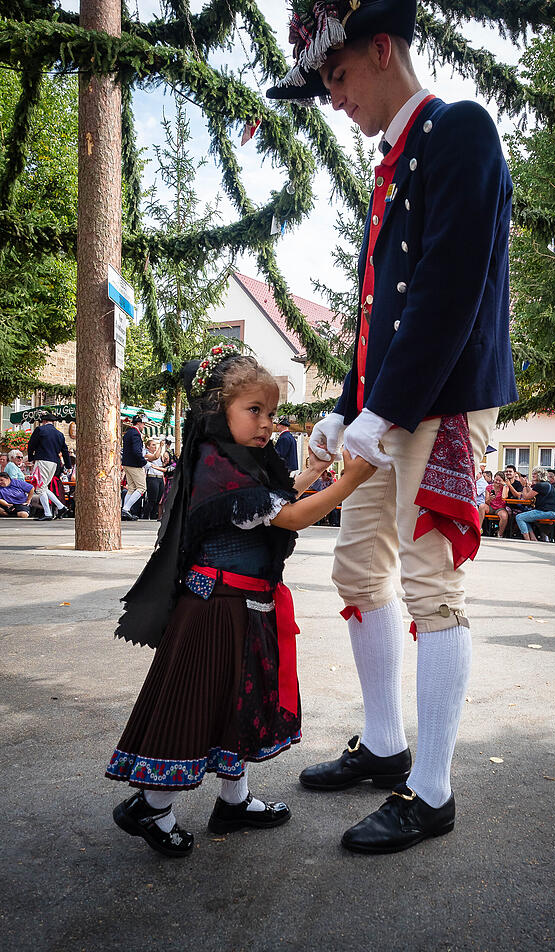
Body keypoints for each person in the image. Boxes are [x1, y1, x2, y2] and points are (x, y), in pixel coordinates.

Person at [267, 0, 516, 855]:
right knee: (355, 566)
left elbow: (447, 291)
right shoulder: (395, 159)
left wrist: (386, 408)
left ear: (381, 51)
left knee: (430, 582)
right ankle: (384, 744)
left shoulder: (462, 131)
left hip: (441, 400)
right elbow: (380, 318)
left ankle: (434, 790)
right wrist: (346, 407)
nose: (333, 97)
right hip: (390, 403)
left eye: (336, 76)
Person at [107, 344, 375, 858]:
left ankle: (234, 799)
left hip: (244, 604)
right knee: (198, 705)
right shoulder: (216, 467)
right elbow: (289, 517)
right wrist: (353, 477)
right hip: (215, 610)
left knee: (239, 701)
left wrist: (316, 473)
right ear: (216, 411)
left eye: (270, 413)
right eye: (254, 411)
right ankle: (150, 806)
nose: (266, 424)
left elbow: (278, 503)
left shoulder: (241, 462)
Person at [26, 412, 72, 521]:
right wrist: (68, 465)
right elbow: (65, 451)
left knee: (39, 487)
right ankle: (61, 507)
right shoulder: (59, 434)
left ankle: (47, 513)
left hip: (42, 460)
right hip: (55, 462)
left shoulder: (40, 430)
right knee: (44, 487)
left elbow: (31, 445)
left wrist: (31, 458)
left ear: (44, 421)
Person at [516, 467, 555, 541]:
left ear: (539, 475)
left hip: (545, 512)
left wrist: (524, 485)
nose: (532, 475)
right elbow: (531, 493)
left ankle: (527, 540)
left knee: (519, 517)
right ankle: (533, 538)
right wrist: (527, 487)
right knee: (524, 518)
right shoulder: (547, 485)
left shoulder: (540, 485)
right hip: (551, 512)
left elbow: (526, 497)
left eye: (534, 474)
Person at [121, 414, 147, 521]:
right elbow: (137, 452)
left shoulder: (128, 433)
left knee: (131, 488)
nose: (144, 426)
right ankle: (126, 509)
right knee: (142, 488)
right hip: (135, 465)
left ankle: (124, 510)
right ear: (139, 423)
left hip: (127, 464)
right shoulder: (136, 434)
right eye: (143, 423)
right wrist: (144, 462)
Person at [479, 472, 510, 537]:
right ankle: (479, 528)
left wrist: (504, 485)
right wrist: (490, 499)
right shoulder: (489, 487)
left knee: (504, 516)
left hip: (500, 508)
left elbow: (504, 497)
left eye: (499, 480)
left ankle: (500, 534)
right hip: (491, 507)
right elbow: (486, 502)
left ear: (503, 481)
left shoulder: (505, 487)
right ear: (494, 479)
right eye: (496, 480)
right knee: (481, 506)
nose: (497, 482)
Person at [143, 438, 166, 520]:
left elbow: (163, 464)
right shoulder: (146, 455)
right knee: (152, 499)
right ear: (148, 446)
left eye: (155, 445)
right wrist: (160, 446)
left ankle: (153, 517)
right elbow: (155, 457)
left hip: (160, 478)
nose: (155, 447)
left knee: (159, 500)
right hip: (152, 477)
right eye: (153, 445)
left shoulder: (159, 454)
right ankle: (145, 516)